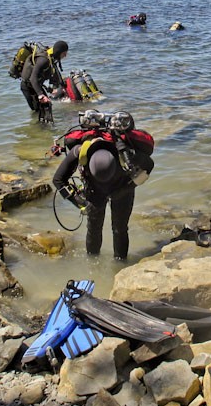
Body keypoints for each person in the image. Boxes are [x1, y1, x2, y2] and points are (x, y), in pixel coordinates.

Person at [53, 121, 151, 260]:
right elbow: (58, 180)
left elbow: (149, 166)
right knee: (94, 229)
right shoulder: (81, 151)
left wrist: (126, 189)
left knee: (120, 229)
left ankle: (120, 264)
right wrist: (80, 203)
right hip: (94, 189)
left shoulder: (126, 153)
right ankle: (93, 263)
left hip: (122, 186)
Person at [20, 40, 68, 122]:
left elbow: (55, 71)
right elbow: (33, 78)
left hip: (36, 85)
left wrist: (60, 86)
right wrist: (40, 95)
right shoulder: (44, 60)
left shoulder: (51, 56)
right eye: (64, 53)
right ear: (59, 52)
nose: (65, 56)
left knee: (47, 106)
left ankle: (46, 131)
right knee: (38, 111)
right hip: (28, 87)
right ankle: (37, 130)